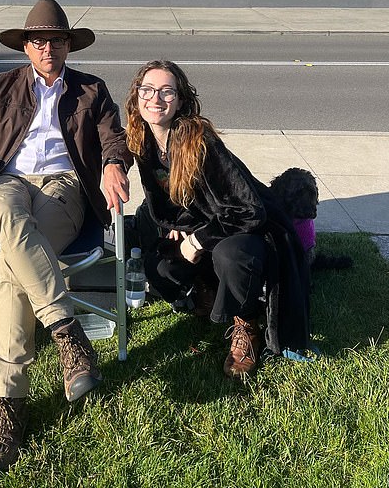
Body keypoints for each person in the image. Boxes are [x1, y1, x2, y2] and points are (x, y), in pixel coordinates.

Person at [0, 0, 132, 477]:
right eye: (39, 41)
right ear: (26, 47)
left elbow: (114, 139)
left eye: (57, 40)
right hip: (8, 184)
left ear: (68, 45)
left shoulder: (91, 89)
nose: (48, 48)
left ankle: (7, 406)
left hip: (65, 188)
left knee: (11, 267)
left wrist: (111, 164)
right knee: (3, 210)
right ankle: (68, 333)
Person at [124, 60, 310, 378]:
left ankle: (246, 325)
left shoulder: (200, 143)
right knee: (160, 266)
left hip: (253, 230)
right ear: (136, 96)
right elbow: (173, 200)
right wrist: (178, 227)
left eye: (167, 91)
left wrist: (198, 239)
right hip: (210, 223)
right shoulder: (144, 140)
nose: (155, 98)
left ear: (181, 99)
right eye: (148, 90)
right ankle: (209, 294)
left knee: (231, 254)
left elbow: (250, 211)